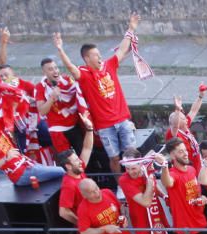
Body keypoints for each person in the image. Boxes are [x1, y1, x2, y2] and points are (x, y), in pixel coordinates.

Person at [53, 16, 141, 173]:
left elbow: (122, 49)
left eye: (99, 54)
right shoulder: (85, 74)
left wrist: (131, 28)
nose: (100, 57)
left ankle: (136, 180)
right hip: (105, 125)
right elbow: (70, 67)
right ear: (87, 58)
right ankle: (120, 185)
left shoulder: (109, 65)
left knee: (131, 155)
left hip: (122, 119)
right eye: (95, 55)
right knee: (114, 158)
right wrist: (60, 49)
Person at [0, 106, 64, 187]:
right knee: (64, 171)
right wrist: (5, 159)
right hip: (20, 174)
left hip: (27, 164)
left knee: (64, 170)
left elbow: (11, 105)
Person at [161, 137, 207, 234]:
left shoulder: (191, 169)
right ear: (172, 156)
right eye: (180, 151)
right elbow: (167, 182)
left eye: (185, 150)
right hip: (185, 230)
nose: (185, 154)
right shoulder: (172, 174)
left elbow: (198, 192)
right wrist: (164, 165)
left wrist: (203, 198)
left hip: (201, 223)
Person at [36, 56, 88, 154]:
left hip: (74, 126)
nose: (55, 71)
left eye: (56, 68)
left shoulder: (67, 80)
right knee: (67, 161)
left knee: (84, 157)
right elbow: (42, 111)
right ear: (44, 72)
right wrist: (52, 98)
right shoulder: (40, 87)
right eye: (50, 69)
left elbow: (80, 92)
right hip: (57, 131)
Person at [56, 128, 96, 227]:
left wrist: (90, 129)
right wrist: (84, 225)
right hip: (90, 230)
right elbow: (63, 212)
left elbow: (87, 148)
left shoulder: (78, 170)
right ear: (68, 166)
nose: (80, 161)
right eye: (76, 160)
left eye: (78, 158)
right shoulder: (69, 185)